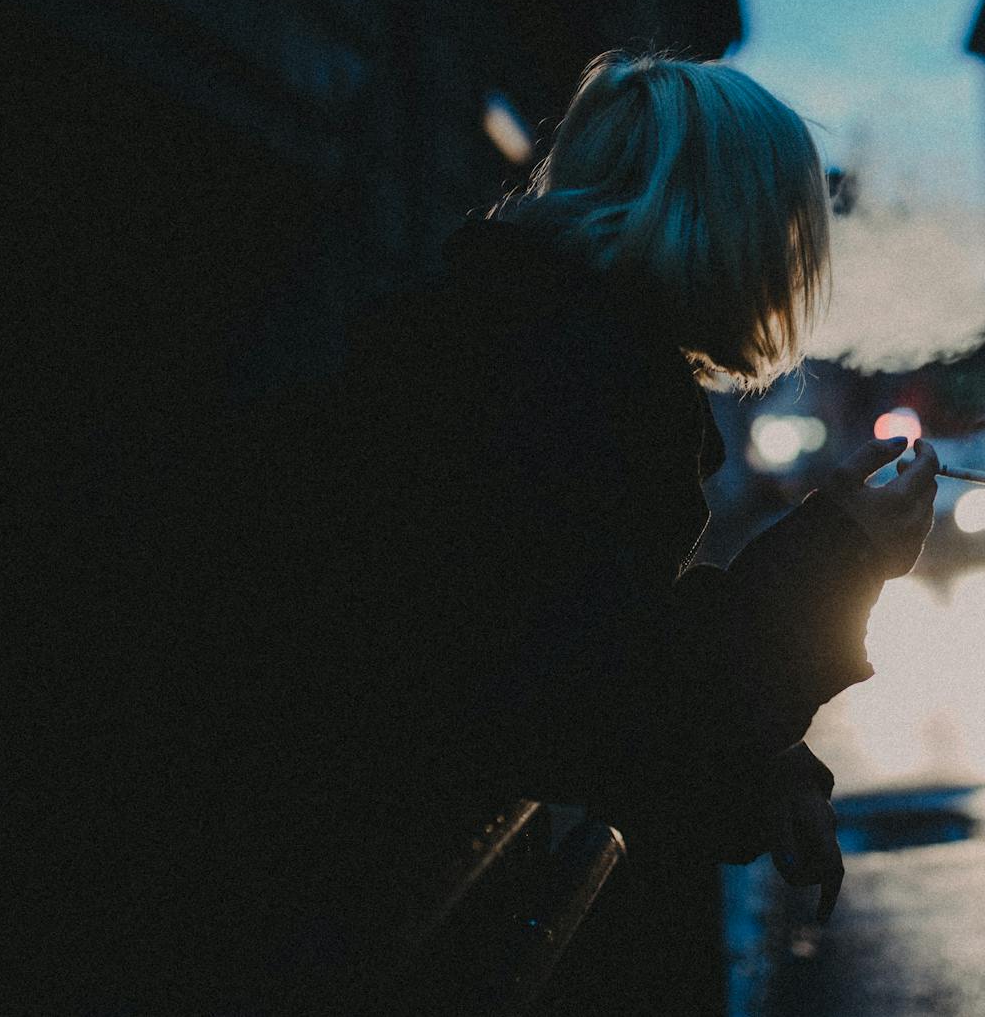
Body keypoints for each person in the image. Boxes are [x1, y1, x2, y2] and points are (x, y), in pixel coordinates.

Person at [205, 50, 941, 1003]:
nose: (799, 259)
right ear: (732, 221)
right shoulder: (570, 376)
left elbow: (582, 653)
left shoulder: (530, 334)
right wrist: (843, 550)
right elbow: (606, 705)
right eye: (792, 225)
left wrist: (765, 765)